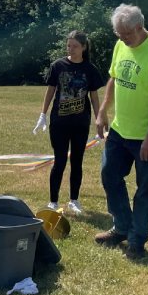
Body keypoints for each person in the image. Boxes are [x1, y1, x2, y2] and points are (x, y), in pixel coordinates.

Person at [94, 4, 148, 261]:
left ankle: (137, 239)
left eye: (126, 35)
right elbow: (114, 78)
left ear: (139, 27)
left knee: (145, 188)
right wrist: (102, 111)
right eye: (118, 35)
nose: (122, 39)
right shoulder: (121, 45)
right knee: (109, 175)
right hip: (120, 130)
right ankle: (121, 227)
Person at [35, 30, 105, 216]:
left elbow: (95, 97)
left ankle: (74, 200)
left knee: (77, 161)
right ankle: (53, 202)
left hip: (80, 123)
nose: (71, 49)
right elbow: (50, 91)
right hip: (59, 122)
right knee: (59, 161)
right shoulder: (58, 66)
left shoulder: (90, 69)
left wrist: (99, 119)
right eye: (69, 46)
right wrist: (43, 114)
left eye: (75, 46)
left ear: (83, 47)